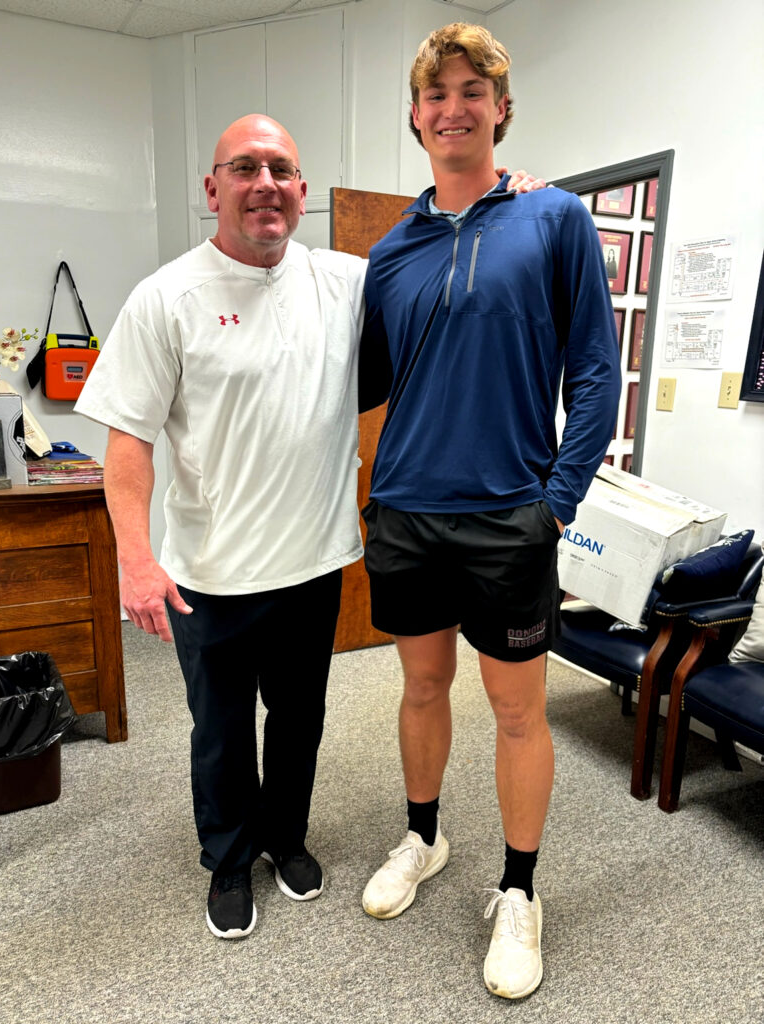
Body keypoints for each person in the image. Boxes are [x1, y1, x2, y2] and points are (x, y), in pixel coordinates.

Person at [75, 112, 543, 942]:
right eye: (245, 169)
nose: (266, 185)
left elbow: (438, 261)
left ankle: (284, 839)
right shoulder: (166, 298)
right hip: (208, 574)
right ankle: (227, 857)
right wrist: (136, 561)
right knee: (221, 735)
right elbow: (128, 445)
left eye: (282, 171)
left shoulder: (346, 279)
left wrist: (512, 200)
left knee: (298, 722)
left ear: (301, 193)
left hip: (313, 564)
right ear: (211, 188)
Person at [358, 24, 621, 1000]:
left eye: (473, 91)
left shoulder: (552, 219)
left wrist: (556, 505)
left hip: (510, 516)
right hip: (407, 514)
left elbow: (597, 371)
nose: (453, 107)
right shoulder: (390, 251)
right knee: (422, 689)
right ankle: (423, 837)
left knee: (516, 710)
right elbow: (362, 383)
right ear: (416, 116)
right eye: (436, 94)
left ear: (498, 109)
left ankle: (518, 892)